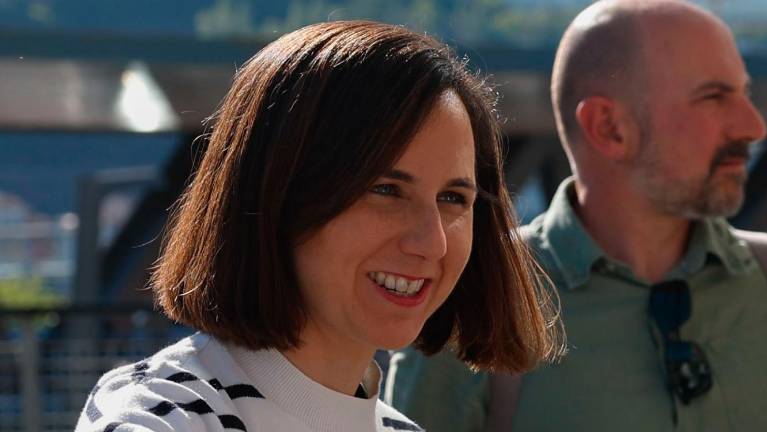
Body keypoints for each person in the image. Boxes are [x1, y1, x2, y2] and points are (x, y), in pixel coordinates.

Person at [75, 20, 561, 432]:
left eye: (454, 198)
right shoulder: (160, 416)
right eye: (386, 190)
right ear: (275, 195)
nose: (431, 241)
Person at [386, 0, 767, 431]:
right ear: (609, 127)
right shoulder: (475, 299)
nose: (753, 126)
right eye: (714, 97)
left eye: (746, 94)